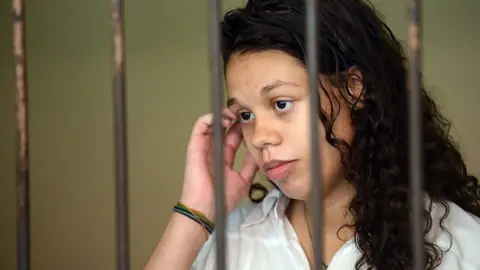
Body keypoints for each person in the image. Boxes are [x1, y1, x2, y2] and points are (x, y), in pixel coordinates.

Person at [143, 0, 480, 269]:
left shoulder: (463, 246)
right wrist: (195, 212)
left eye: (281, 103)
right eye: (245, 115)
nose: (259, 137)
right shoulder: (231, 242)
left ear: (353, 87)